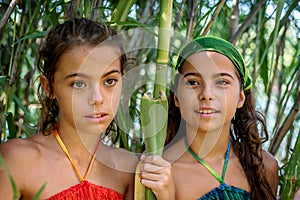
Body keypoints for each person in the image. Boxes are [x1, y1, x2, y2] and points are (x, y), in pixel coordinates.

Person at [0, 17, 138, 199]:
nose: (97, 99)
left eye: (109, 81)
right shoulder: (17, 160)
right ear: (49, 87)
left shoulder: (128, 169)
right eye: (79, 84)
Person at [162, 36, 278, 199]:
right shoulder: (159, 170)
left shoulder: (263, 167)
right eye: (193, 82)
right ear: (176, 97)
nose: (206, 95)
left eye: (222, 82)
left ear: (240, 98)